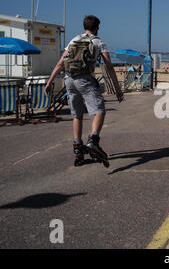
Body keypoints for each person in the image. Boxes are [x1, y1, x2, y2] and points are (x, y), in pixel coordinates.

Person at [44, 15, 123, 167]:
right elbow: (109, 66)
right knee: (99, 110)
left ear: (84, 26)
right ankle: (93, 141)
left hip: (69, 80)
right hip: (85, 80)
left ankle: (78, 153)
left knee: (77, 115)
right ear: (97, 27)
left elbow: (61, 63)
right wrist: (117, 89)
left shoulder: (73, 40)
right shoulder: (98, 41)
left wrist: (49, 82)